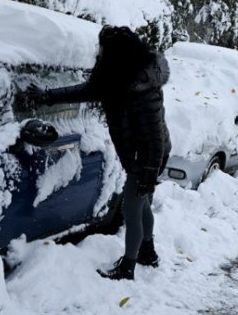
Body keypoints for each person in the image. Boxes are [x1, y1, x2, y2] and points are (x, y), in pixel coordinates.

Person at [20, 25, 171, 280]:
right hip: (138, 154)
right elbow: (84, 91)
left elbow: (155, 140)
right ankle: (148, 252)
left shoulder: (143, 91)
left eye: (103, 49)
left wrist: (148, 173)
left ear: (117, 53)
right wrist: (47, 96)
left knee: (132, 208)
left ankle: (128, 267)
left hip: (147, 156)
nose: (98, 52)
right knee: (142, 204)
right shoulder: (117, 78)